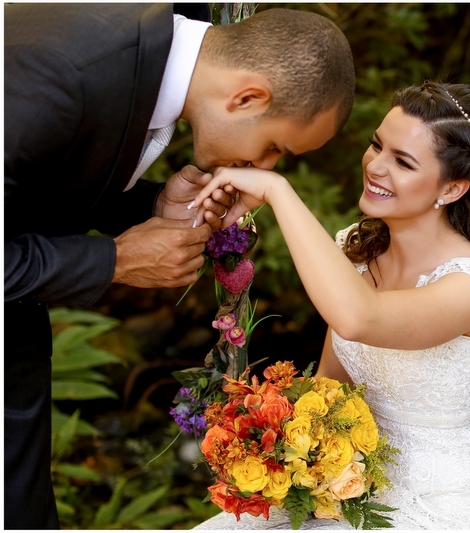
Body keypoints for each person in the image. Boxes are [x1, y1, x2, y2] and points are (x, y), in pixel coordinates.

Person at [4, 4, 355, 529]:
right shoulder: (68, 73)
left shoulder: (137, 54)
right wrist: (116, 259)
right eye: (274, 148)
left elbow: (34, 184)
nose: (266, 168)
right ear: (247, 97)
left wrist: (148, 208)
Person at [192, 82, 470, 530]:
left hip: (437, 498)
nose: (376, 166)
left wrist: (277, 192)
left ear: (453, 188)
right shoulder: (356, 252)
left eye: (402, 161)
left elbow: (360, 319)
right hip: (347, 481)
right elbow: (331, 386)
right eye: (376, 145)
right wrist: (281, 449)